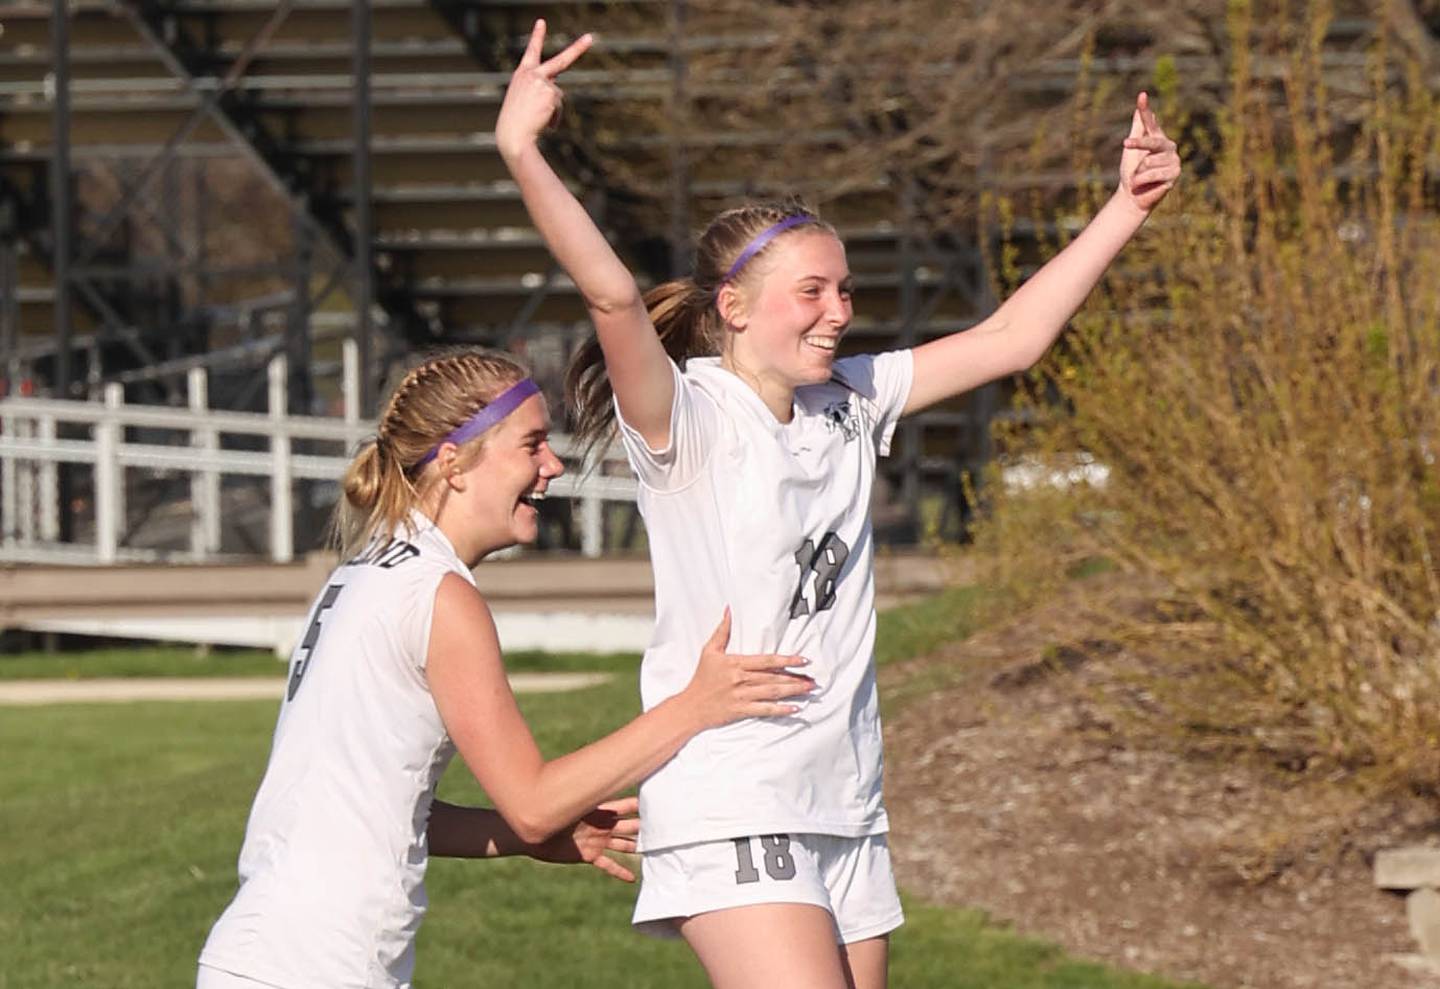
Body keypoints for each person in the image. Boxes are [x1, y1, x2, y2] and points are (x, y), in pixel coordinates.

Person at [498, 20, 1181, 989]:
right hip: (737, 795)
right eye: (810, 291)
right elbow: (612, 300)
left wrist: (1128, 203)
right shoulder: (689, 419)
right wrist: (523, 151)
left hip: (846, 798)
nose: (838, 310)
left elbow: (1012, 337)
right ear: (733, 307)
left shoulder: (849, 399)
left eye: (846, 289)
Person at [195, 347, 815, 989]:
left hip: (269, 959)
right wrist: (696, 706)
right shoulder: (438, 594)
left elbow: (391, 809)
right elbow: (534, 802)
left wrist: (524, 838)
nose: (553, 466)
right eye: (533, 444)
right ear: (454, 462)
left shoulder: (365, 573)